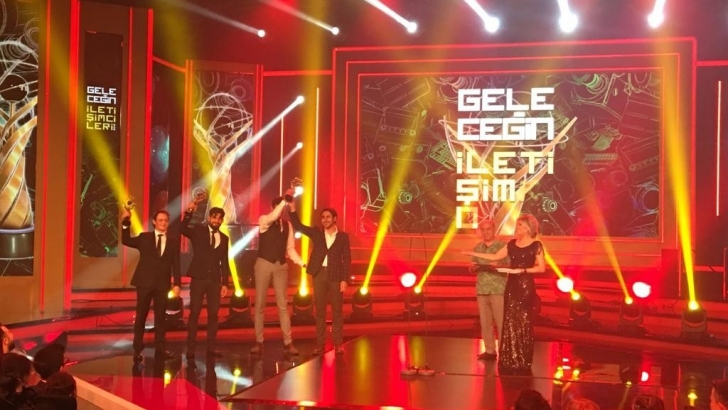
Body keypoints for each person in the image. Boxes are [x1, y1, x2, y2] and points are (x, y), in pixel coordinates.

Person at [463, 214, 545, 373]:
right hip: (500, 286)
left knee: (519, 320)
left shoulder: (535, 245)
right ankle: (506, 355)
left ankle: (521, 357)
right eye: (517, 225)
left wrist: (519, 270)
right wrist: (471, 255)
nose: (517, 228)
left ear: (528, 228)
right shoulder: (510, 244)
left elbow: (538, 267)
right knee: (504, 321)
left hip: (517, 286)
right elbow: (492, 257)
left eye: (520, 225)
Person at [288, 200, 351, 355]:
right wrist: (292, 207)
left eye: (328, 217)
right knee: (320, 311)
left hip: (336, 275)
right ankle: (320, 343)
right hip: (319, 274)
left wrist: (345, 279)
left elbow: (347, 259)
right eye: (323, 217)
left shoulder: (343, 237)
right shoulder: (317, 233)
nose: (325, 220)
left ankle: (338, 343)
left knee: (337, 311)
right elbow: (298, 226)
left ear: (335, 218)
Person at [121, 209, 181, 362]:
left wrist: (177, 284)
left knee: (161, 317)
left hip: (162, 284)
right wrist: (126, 222)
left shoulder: (173, 241)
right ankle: (137, 349)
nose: (163, 223)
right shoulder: (144, 237)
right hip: (144, 282)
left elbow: (176, 263)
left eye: (165, 220)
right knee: (141, 315)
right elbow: (126, 240)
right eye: (160, 220)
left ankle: (160, 348)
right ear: (154, 222)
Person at [250, 192, 305, 355]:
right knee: (260, 304)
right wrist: (284, 200)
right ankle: (259, 341)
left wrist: (302, 263)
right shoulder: (264, 220)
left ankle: (288, 342)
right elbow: (273, 216)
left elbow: (290, 249)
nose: (280, 211)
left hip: (281, 265)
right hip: (264, 264)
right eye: (278, 208)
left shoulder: (287, 225)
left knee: (283, 305)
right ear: (272, 207)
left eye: (282, 208)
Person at [180, 204, 232, 360]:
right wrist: (189, 212)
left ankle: (211, 347)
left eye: (220, 218)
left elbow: (224, 261)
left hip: (215, 281)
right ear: (209, 218)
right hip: (198, 278)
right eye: (214, 217)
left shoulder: (224, 238)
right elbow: (182, 228)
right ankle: (191, 348)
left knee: (214, 315)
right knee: (194, 314)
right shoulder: (198, 230)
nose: (217, 220)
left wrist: (225, 283)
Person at [469, 220, 509, 360]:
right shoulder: (477, 247)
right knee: (485, 321)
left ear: (494, 230)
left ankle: (505, 351)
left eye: (488, 229)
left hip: (498, 288)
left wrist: (498, 265)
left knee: (500, 321)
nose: (486, 232)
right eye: (483, 229)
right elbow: (471, 268)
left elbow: (510, 264)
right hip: (482, 288)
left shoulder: (502, 246)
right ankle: (490, 350)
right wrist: (473, 267)